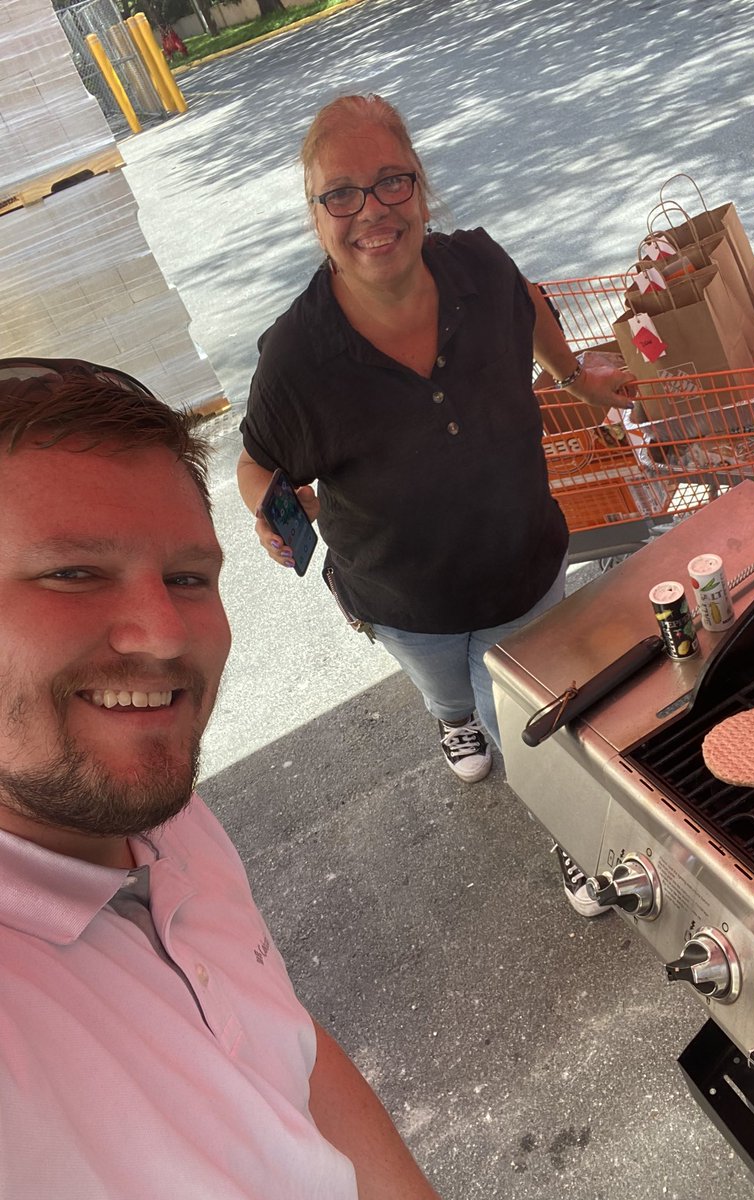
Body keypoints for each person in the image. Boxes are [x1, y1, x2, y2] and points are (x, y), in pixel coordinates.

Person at [0, 356, 441, 1200]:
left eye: (187, 578)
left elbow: (283, 1050)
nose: (165, 635)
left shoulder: (162, 810)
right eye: (72, 573)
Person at [236, 94, 634, 916]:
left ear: (420, 188)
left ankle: (573, 837)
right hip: (401, 595)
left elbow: (524, 300)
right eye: (340, 193)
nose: (371, 211)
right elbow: (255, 459)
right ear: (315, 215)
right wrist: (270, 510)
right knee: (448, 691)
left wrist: (572, 377)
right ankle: (452, 718)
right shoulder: (297, 358)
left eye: (391, 182)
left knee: (531, 727)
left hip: (524, 565)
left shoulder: (477, 265)